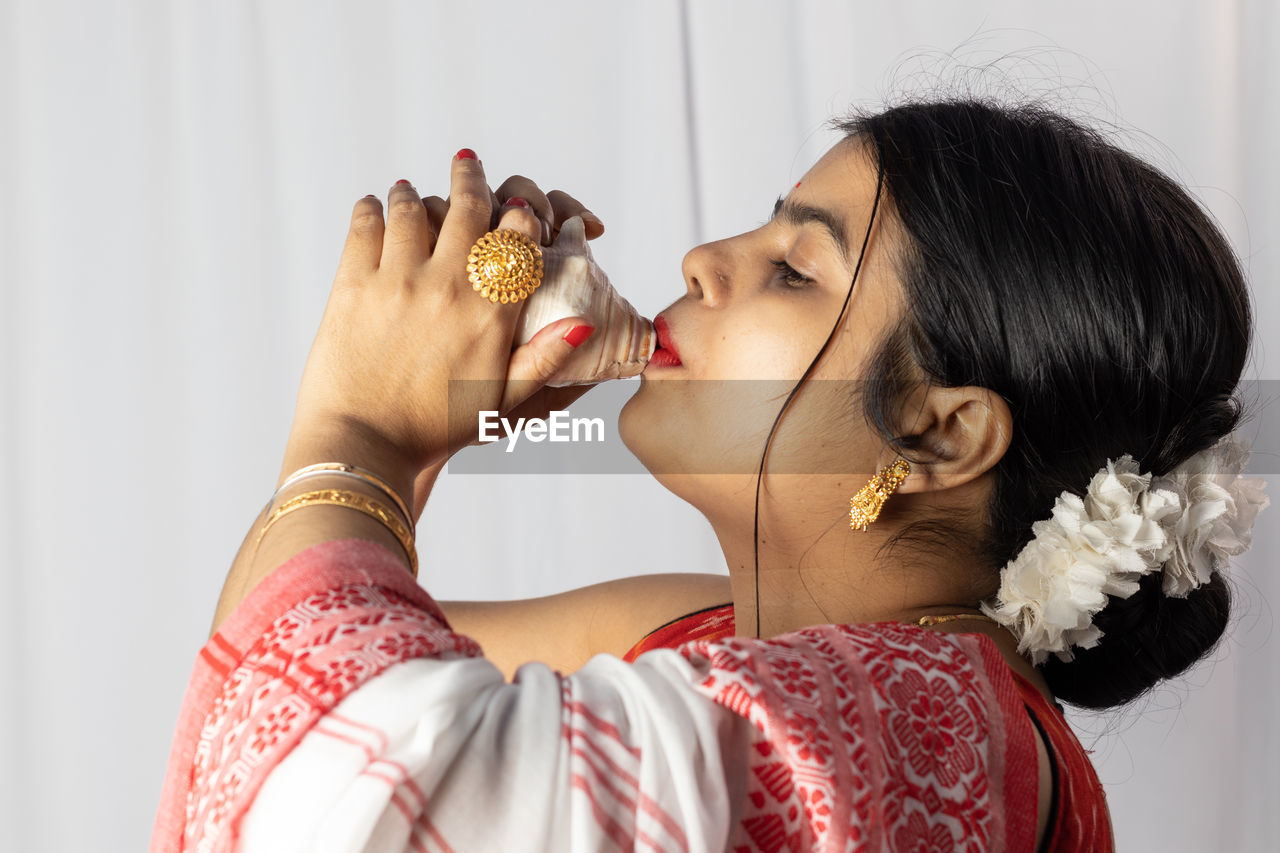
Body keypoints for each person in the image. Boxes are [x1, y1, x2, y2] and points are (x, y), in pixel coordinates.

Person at [151, 99, 1269, 852]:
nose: (701, 261)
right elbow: (260, 679)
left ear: (936, 434)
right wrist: (422, 435)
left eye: (791, 268)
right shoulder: (693, 635)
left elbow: (332, 778)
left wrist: (357, 425)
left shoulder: (940, 722)